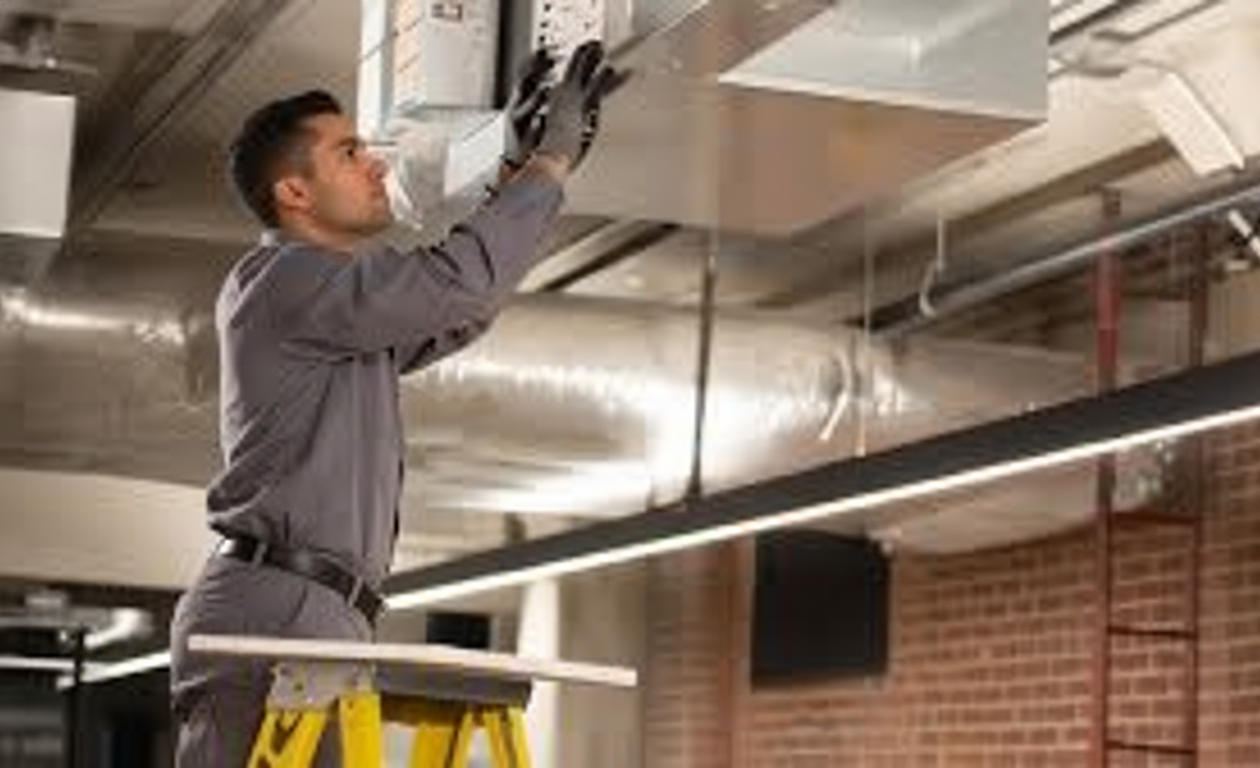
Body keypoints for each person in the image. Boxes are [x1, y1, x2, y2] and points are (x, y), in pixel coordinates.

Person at [168, 41, 625, 767]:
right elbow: (456, 288)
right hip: (279, 603)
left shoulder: (330, 312)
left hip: (310, 605)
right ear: (295, 191)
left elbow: (456, 313)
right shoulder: (285, 281)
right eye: (350, 152)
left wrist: (516, 171)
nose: (376, 163)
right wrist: (547, 168)